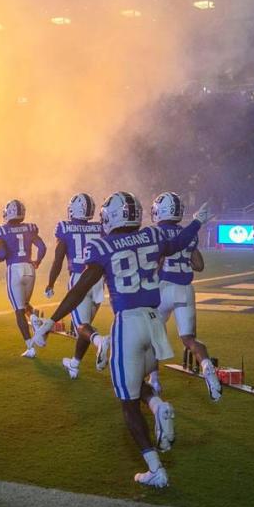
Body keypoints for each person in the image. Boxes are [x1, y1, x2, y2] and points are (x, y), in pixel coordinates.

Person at [32, 193, 211, 488]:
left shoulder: (103, 245)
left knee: (127, 403)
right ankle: (157, 407)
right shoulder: (152, 235)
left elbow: (79, 290)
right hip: (155, 323)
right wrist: (197, 222)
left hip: (128, 323)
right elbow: (180, 243)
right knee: (137, 384)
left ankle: (156, 468)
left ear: (111, 216)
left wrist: (51, 321)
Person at [146, 192, 221, 402]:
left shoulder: (155, 232)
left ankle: (154, 380)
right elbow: (199, 265)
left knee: (152, 338)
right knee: (189, 340)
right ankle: (208, 370)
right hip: (185, 288)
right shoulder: (189, 233)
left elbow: (156, 263)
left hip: (162, 288)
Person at [45, 193, 109, 377]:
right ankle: (74, 363)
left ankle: (100, 341)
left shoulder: (65, 228)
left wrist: (50, 283)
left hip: (79, 278)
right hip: (98, 280)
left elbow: (58, 260)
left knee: (81, 326)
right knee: (85, 326)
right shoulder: (100, 227)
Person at [0, 199, 47, 358]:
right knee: (24, 304)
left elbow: (1, 256)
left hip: (14, 269)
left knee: (19, 310)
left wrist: (0, 253)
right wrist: (38, 261)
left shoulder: (1, 230)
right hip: (29, 268)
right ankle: (35, 318)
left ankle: (30, 347)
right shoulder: (30, 228)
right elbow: (42, 247)